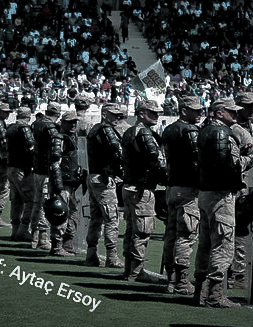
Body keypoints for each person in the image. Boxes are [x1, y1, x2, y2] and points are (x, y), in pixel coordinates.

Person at [194, 98, 253, 308]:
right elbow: (233, 165)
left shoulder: (204, 131)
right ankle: (215, 294)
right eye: (230, 112)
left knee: (205, 244)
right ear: (218, 113)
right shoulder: (224, 134)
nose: (235, 115)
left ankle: (200, 290)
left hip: (205, 192)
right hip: (221, 194)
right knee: (223, 243)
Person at [120, 99, 167, 282]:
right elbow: (155, 161)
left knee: (132, 229)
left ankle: (128, 269)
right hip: (142, 188)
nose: (156, 116)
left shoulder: (129, 132)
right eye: (152, 113)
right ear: (141, 114)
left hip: (130, 186)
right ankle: (136, 271)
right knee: (142, 231)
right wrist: (167, 180)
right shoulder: (145, 133)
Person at [160, 95, 203, 295]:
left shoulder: (169, 129)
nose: (200, 113)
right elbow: (198, 156)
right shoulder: (190, 130)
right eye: (196, 110)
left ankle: (170, 279)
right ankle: (181, 281)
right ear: (184, 110)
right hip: (188, 188)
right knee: (185, 235)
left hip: (172, 187)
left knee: (171, 235)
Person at [228, 91, 253, 291]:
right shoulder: (235, 129)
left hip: (250, 185)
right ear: (239, 107)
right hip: (241, 186)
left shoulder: (246, 127)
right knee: (239, 230)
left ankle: (238, 273)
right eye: (248, 106)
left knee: (243, 230)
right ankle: (236, 275)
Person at [84, 103, 127, 268]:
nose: (118, 117)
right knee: (112, 218)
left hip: (94, 176)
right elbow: (117, 151)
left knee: (96, 218)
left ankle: (91, 254)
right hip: (104, 178)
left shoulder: (95, 129)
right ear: (104, 114)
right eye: (114, 114)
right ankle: (112, 256)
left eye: (119, 114)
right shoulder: (105, 130)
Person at [49, 111, 87, 256]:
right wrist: (58, 185)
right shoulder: (59, 138)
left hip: (72, 182)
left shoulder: (74, 137)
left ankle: (68, 242)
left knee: (74, 213)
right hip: (63, 183)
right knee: (60, 213)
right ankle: (57, 246)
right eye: (70, 122)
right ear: (62, 122)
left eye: (75, 122)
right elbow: (55, 163)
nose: (73, 125)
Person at [29, 103, 62, 248]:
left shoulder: (36, 123)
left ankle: (34, 236)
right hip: (46, 170)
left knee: (37, 203)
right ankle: (42, 237)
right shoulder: (50, 128)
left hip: (37, 168)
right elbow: (54, 152)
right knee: (45, 203)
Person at [6, 106, 37, 240]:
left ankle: (15, 229)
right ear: (29, 117)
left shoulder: (11, 128)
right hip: (22, 168)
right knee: (30, 200)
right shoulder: (24, 129)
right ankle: (23, 229)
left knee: (16, 200)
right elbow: (30, 146)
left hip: (11, 166)